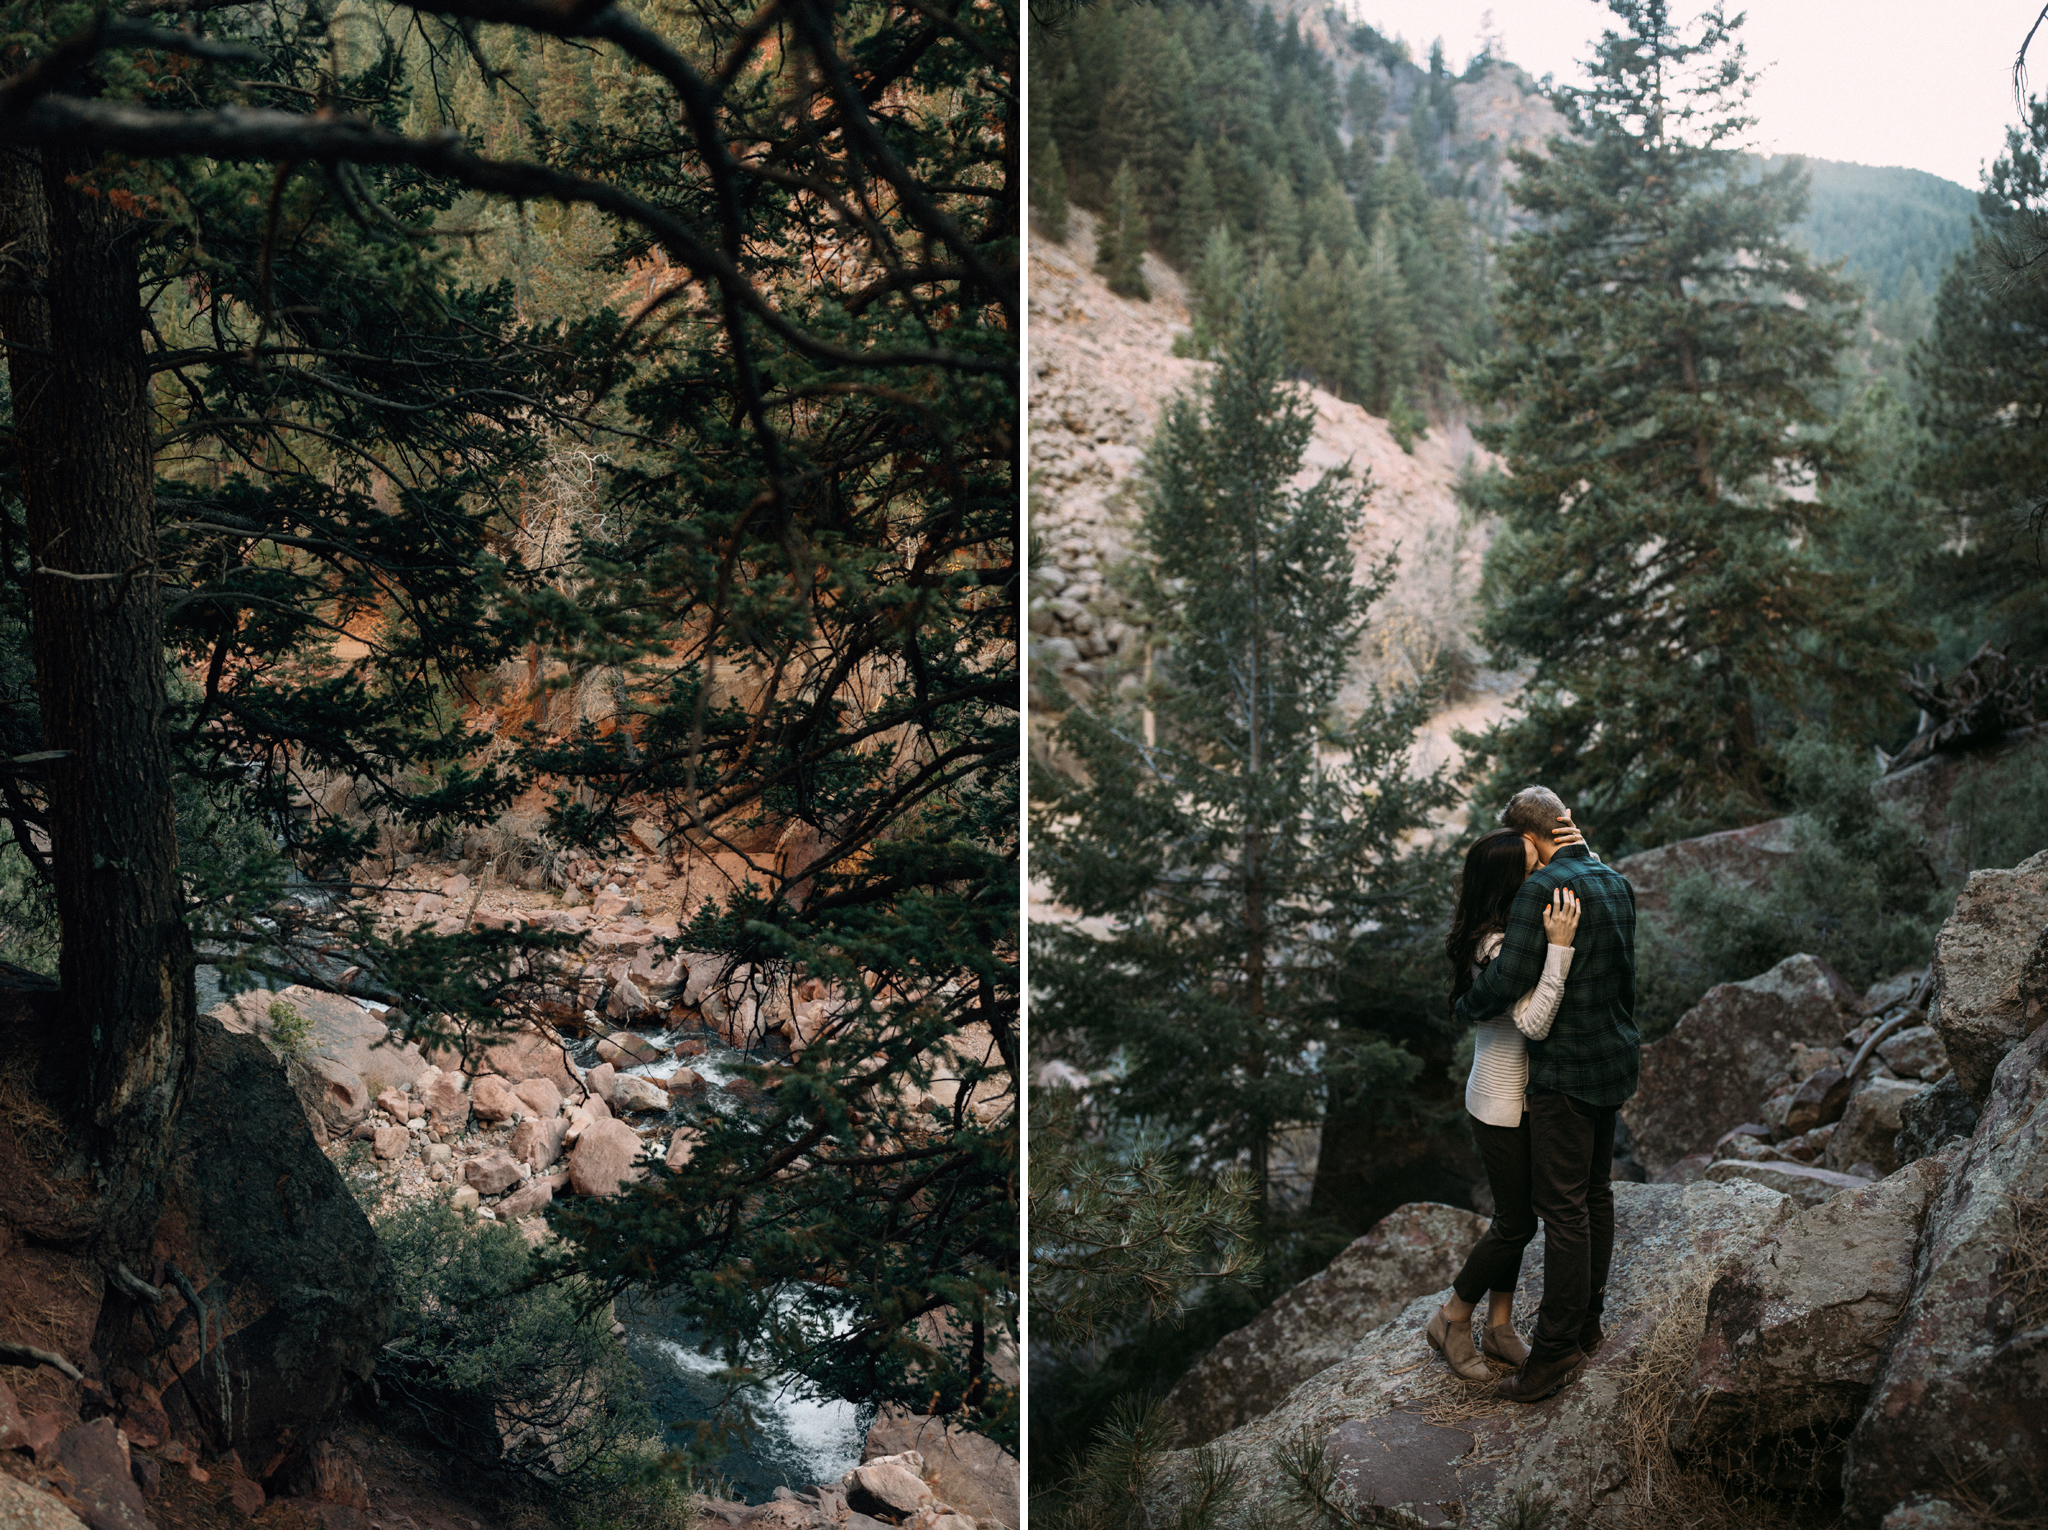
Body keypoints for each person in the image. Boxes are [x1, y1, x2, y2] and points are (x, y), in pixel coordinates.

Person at [1454, 785, 1638, 1403]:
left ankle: (1555, 1351)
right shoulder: (1615, 880)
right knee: (1595, 1197)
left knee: (1560, 1211)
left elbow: (1505, 984)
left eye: (1526, 847)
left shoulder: (1543, 890)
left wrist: (1466, 1004)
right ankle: (1585, 1327)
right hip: (1613, 1061)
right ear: (1566, 827)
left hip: (1562, 1071)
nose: (1529, 862)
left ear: (1536, 838)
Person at [1425, 823, 1583, 1382]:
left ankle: (1499, 1327)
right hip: (1500, 1100)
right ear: (1505, 884)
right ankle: (1451, 1317)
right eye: (1532, 868)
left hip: (1518, 1098)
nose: (1544, 875)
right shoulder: (1493, 946)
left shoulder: (1506, 931)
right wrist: (1560, 950)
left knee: (1515, 1216)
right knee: (1516, 1223)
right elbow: (1534, 1024)